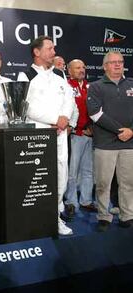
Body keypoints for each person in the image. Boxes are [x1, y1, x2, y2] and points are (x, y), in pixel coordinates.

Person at [17, 36, 75, 235]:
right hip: (38, 136)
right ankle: (35, 219)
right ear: (37, 52)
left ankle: (55, 218)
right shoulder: (25, 75)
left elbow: (69, 100)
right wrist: (53, 119)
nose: (54, 52)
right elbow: (27, 106)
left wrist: (64, 119)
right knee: (38, 178)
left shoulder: (60, 75)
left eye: (54, 48)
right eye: (50, 48)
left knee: (61, 174)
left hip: (60, 134)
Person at [87, 51, 133, 232]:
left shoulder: (131, 84)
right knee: (103, 183)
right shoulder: (96, 86)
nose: (117, 65)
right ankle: (104, 217)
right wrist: (120, 130)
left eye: (120, 62)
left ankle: (127, 215)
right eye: (113, 62)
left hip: (129, 143)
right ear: (104, 66)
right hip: (105, 144)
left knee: (128, 182)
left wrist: (131, 131)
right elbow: (95, 113)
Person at [64, 59, 96, 218]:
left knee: (88, 170)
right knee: (72, 171)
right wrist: (77, 129)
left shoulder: (91, 87)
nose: (81, 70)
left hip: (90, 134)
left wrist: (93, 128)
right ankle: (71, 202)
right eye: (77, 68)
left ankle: (86, 200)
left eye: (83, 67)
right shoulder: (65, 86)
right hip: (75, 134)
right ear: (69, 70)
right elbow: (67, 110)